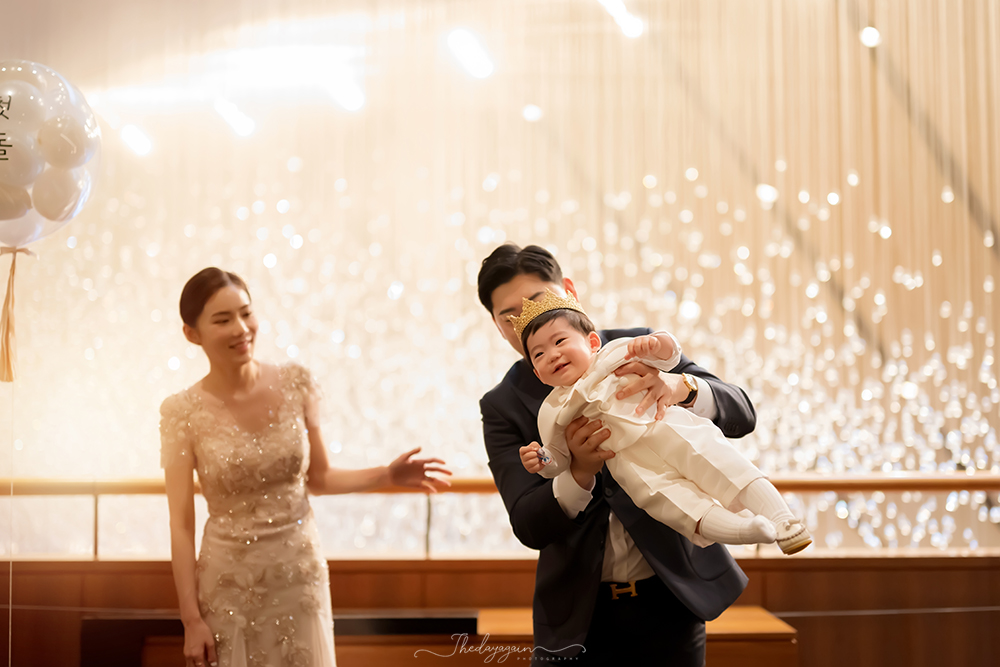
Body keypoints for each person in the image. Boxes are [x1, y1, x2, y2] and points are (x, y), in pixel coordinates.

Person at [478, 243, 756, 666]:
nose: (526, 319)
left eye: (537, 299)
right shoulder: (503, 404)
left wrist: (679, 387)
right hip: (577, 617)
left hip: (673, 598)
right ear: (499, 328)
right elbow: (528, 524)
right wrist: (578, 472)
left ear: (569, 291)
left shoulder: (635, 347)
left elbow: (741, 413)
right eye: (509, 316)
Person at [161, 267, 451, 667]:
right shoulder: (181, 413)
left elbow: (319, 478)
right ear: (192, 334)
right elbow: (180, 523)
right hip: (227, 584)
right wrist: (190, 619)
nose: (241, 328)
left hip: (298, 576)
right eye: (223, 320)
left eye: (246, 313)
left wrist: (386, 475)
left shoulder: (296, 383)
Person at [513, 289, 811, 554]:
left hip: (669, 426)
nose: (552, 355)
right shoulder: (552, 409)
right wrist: (542, 458)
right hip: (630, 463)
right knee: (674, 503)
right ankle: (743, 531)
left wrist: (657, 344)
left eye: (559, 341)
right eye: (539, 354)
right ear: (538, 374)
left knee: (723, 463)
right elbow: (559, 457)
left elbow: (669, 357)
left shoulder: (615, 352)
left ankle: (784, 520)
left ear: (592, 342)